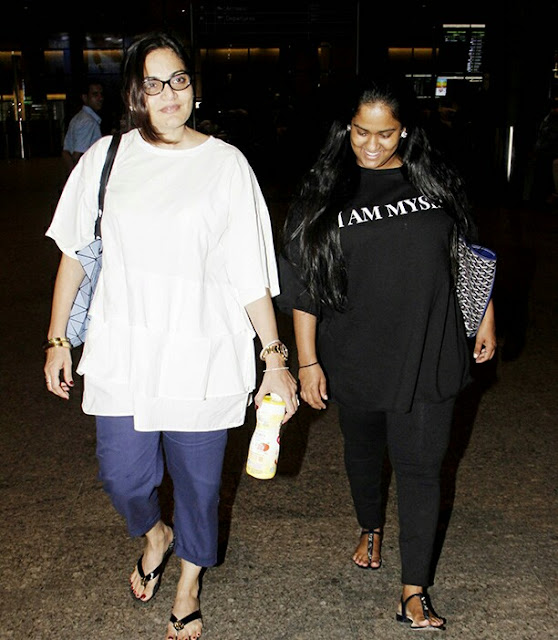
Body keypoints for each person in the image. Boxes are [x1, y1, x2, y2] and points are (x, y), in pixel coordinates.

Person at [44, 31, 298, 640]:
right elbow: (75, 254)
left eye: (179, 80)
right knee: (123, 476)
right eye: (153, 83)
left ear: (193, 86)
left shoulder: (226, 164)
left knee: (200, 486)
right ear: (135, 92)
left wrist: (275, 358)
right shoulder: (106, 158)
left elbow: (249, 272)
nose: (169, 94)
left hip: (202, 352)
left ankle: (189, 582)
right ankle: (155, 534)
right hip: (123, 349)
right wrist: (57, 339)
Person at [277, 76, 496, 630]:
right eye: (361, 132)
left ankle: (413, 591)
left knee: (422, 468)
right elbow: (305, 289)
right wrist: (308, 361)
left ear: (406, 131)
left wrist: (484, 314)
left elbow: (466, 251)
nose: (372, 145)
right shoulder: (325, 193)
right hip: (356, 353)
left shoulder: (434, 181)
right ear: (345, 129)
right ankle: (370, 526)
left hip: (430, 347)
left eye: (386, 134)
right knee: (363, 449)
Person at [62, 81, 104, 176]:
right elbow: (77, 156)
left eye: (101, 94)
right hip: (87, 174)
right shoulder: (88, 122)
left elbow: (65, 152)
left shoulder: (77, 118)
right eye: (95, 94)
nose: (100, 98)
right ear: (85, 98)